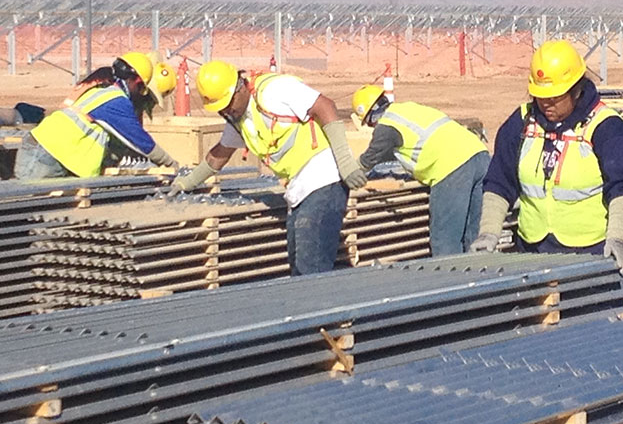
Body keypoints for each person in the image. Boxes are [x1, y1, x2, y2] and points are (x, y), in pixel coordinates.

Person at [169, 61, 367, 275]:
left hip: (324, 180)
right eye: (220, 109)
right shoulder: (239, 119)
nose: (226, 111)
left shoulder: (273, 90)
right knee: (299, 266)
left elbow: (325, 106)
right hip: (299, 188)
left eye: (227, 104)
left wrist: (345, 163)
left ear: (240, 88)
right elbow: (219, 155)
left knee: (310, 269)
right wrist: (187, 182)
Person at [469, 40, 623, 277]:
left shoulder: (606, 128)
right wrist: (488, 232)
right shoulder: (520, 123)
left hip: (592, 253)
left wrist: (618, 239)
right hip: (532, 250)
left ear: (575, 89)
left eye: (554, 97)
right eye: (540, 96)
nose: (546, 103)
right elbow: (499, 182)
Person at [351, 85, 490, 256]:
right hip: (479, 154)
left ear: (369, 117)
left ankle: (451, 280)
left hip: (452, 167)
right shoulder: (407, 109)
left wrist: (348, 171)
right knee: (475, 235)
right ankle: (480, 277)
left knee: (445, 241)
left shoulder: (386, 126)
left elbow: (369, 159)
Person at [14, 52, 178, 180]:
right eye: (142, 89)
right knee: (33, 213)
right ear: (136, 81)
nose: (142, 94)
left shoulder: (106, 91)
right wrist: (171, 163)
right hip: (46, 155)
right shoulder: (116, 101)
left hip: (51, 153)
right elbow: (140, 141)